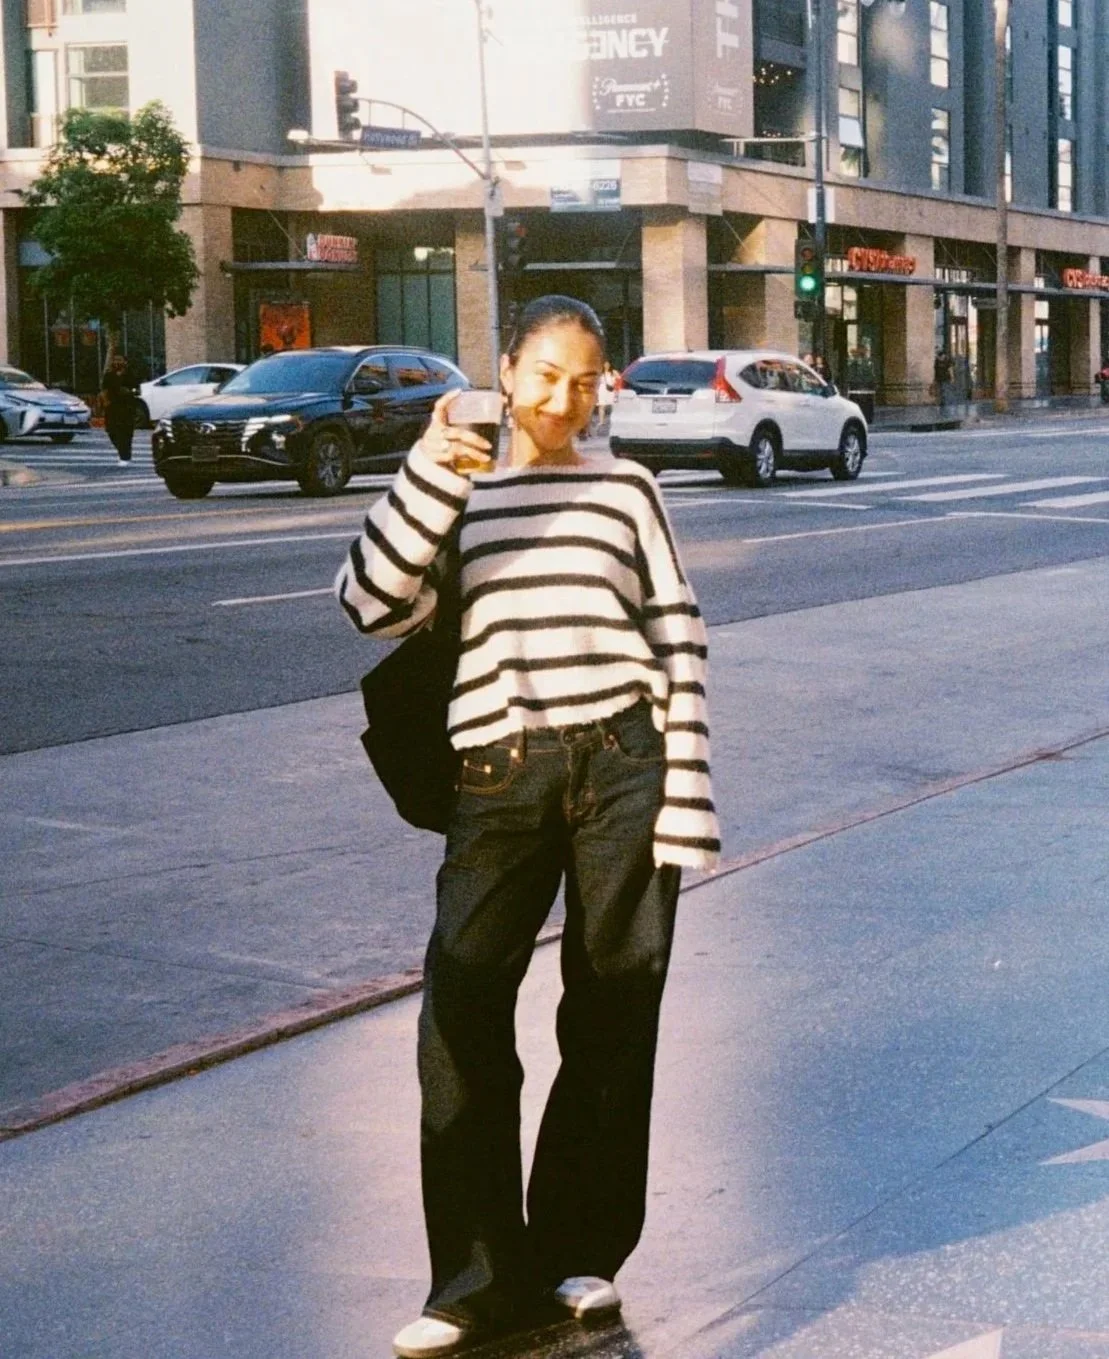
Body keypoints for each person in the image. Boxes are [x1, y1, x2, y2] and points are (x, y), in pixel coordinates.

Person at [335, 295, 720, 1359]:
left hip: (623, 766)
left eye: (585, 380)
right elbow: (367, 604)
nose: (564, 399)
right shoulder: (453, 481)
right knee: (460, 1012)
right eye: (545, 374)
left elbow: (677, 639)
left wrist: (683, 793)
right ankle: (468, 1281)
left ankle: (577, 1250)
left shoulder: (626, 489)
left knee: (610, 1008)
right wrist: (424, 475)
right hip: (498, 773)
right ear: (505, 373)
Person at [100, 354, 139, 466]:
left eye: (120, 360)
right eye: (115, 359)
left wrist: (129, 391)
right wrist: (106, 402)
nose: (117, 362)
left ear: (125, 362)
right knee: (111, 431)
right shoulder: (109, 375)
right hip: (112, 408)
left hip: (127, 408)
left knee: (126, 434)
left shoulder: (130, 374)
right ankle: (122, 451)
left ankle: (125, 456)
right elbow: (104, 389)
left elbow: (136, 388)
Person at [589, 359, 617, 438]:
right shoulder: (600, 373)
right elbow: (597, 382)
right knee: (602, 405)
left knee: (612, 405)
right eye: (605, 364)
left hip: (611, 390)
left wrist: (615, 385)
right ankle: (601, 421)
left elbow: (619, 378)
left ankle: (613, 419)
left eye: (608, 364)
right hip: (602, 390)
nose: (606, 366)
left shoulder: (613, 372)